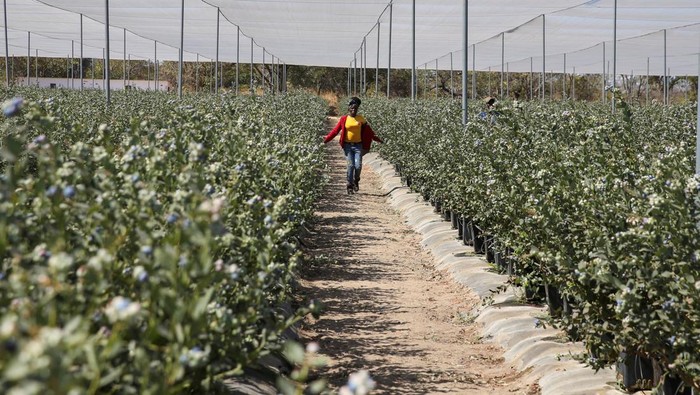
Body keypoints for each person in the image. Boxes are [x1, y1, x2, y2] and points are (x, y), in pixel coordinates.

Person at [323, 97, 383, 194]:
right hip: (347, 146)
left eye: (356, 108)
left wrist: (379, 140)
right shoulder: (344, 119)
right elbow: (335, 131)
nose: (354, 109)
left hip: (358, 145)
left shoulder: (361, 119)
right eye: (352, 107)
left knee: (358, 165)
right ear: (349, 108)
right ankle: (349, 185)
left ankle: (356, 180)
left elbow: (369, 132)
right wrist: (326, 140)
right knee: (351, 165)